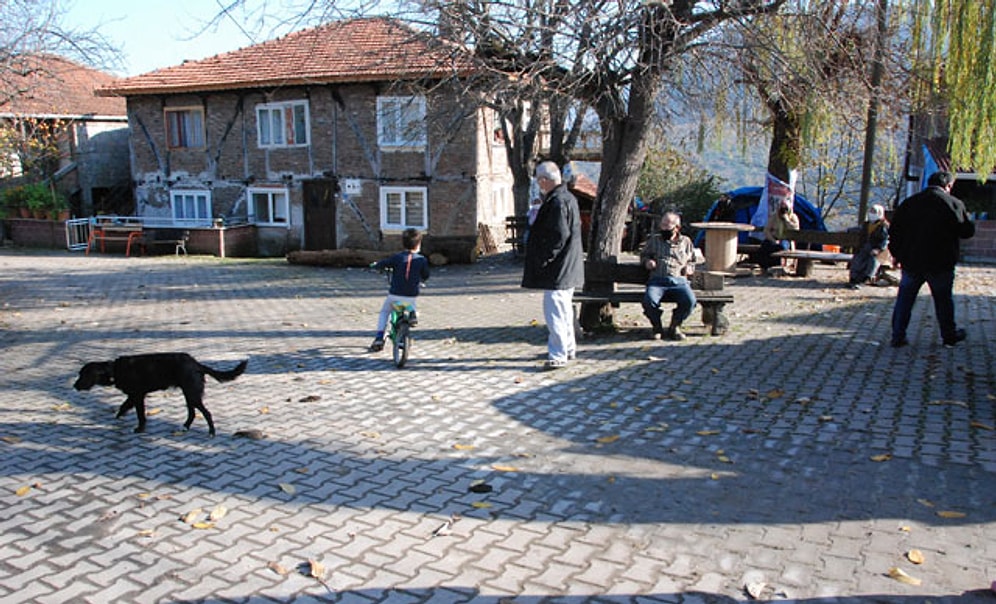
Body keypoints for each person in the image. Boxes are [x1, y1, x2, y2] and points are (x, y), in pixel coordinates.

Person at [888, 170, 975, 348]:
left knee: (905, 299)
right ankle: (949, 335)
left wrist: (897, 254)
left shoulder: (910, 203)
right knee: (943, 300)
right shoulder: (954, 204)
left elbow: (895, 232)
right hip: (940, 262)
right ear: (948, 186)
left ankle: (898, 335)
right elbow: (967, 231)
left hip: (912, 261)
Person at [521, 160, 585, 370]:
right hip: (568, 266)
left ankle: (558, 354)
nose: (538, 185)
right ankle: (568, 349)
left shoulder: (557, 202)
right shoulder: (567, 198)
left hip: (559, 268)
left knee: (555, 311)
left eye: (540, 181)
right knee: (563, 310)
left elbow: (557, 236)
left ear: (545, 180)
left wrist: (544, 258)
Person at [369, 228, 430, 352]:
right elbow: (426, 275)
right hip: (411, 295)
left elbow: (383, 264)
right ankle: (412, 313)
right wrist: (422, 279)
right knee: (410, 300)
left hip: (395, 294)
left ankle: (379, 337)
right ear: (418, 244)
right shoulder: (422, 260)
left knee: (384, 312)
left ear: (403, 243)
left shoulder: (397, 257)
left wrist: (375, 265)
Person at [640, 211, 697, 341]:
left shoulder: (686, 242)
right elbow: (644, 255)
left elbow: (693, 260)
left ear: (677, 227)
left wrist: (689, 268)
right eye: (663, 224)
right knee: (649, 301)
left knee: (690, 301)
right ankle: (657, 327)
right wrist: (647, 262)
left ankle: (675, 325)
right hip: (657, 281)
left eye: (668, 225)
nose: (664, 228)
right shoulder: (654, 240)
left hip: (679, 281)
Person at [848, 203, 890, 288]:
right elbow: (859, 229)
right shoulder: (867, 224)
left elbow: (885, 240)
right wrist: (848, 230)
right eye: (871, 211)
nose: (872, 213)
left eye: (874, 212)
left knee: (873, 261)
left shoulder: (883, 226)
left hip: (879, 250)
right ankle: (854, 278)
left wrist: (878, 249)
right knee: (858, 258)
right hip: (865, 247)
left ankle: (866, 278)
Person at [760, 198, 800, 270]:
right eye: (781, 206)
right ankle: (765, 266)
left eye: (785, 207)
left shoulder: (793, 217)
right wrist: (772, 239)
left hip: (787, 240)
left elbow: (795, 229)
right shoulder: (774, 216)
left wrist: (787, 220)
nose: (783, 209)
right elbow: (766, 229)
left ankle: (777, 266)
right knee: (765, 245)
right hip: (775, 238)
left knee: (780, 247)